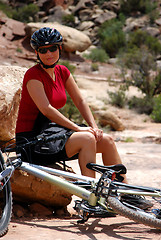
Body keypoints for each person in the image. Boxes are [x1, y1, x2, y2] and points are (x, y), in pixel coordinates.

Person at [15, 27, 151, 209]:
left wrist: (93, 126)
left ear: (60, 49)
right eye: (43, 50)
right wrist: (79, 129)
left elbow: (80, 100)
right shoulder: (33, 75)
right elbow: (46, 109)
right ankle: (91, 200)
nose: (48, 53)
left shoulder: (62, 72)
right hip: (33, 140)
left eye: (52, 48)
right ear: (37, 52)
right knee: (86, 139)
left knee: (107, 140)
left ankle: (126, 194)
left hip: (52, 133)